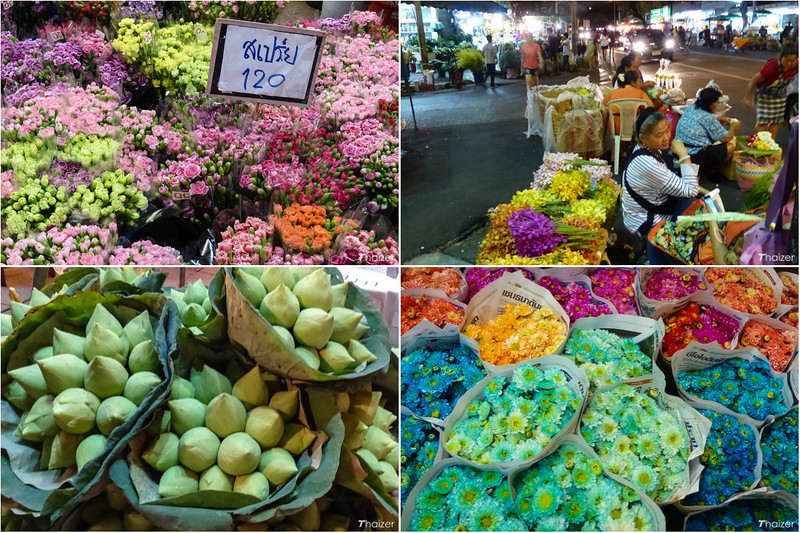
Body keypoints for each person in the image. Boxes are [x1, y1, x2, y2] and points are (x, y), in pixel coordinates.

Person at [622, 107, 702, 264]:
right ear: (643, 138)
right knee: (693, 202)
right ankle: (664, 256)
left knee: (695, 202)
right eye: (660, 135)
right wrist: (684, 154)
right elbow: (691, 190)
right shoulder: (646, 162)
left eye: (667, 130)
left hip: (646, 209)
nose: (667, 137)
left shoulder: (649, 150)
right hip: (644, 220)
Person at [676, 87, 742, 177]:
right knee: (729, 147)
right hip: (694, 155)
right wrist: (733, 127)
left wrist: (718, 119)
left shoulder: (691, 107)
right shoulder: (708, 117)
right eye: (717, 103)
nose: (718, 105)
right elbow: (726, 137)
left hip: (678, 149)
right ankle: (707, 170)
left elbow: (700, 120)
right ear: (711, 104)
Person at [743, 45, 799, 138]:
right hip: (764, 95)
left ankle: (770, 145)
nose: (789, 64)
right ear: (781, 56)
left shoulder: (796, 66)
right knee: (762, 122)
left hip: (780, 96)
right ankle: (759, 145)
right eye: (786, 60)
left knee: (775, 122)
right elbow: (753, 81)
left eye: (792, 61)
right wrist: (747, 97)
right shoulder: (771, 67)